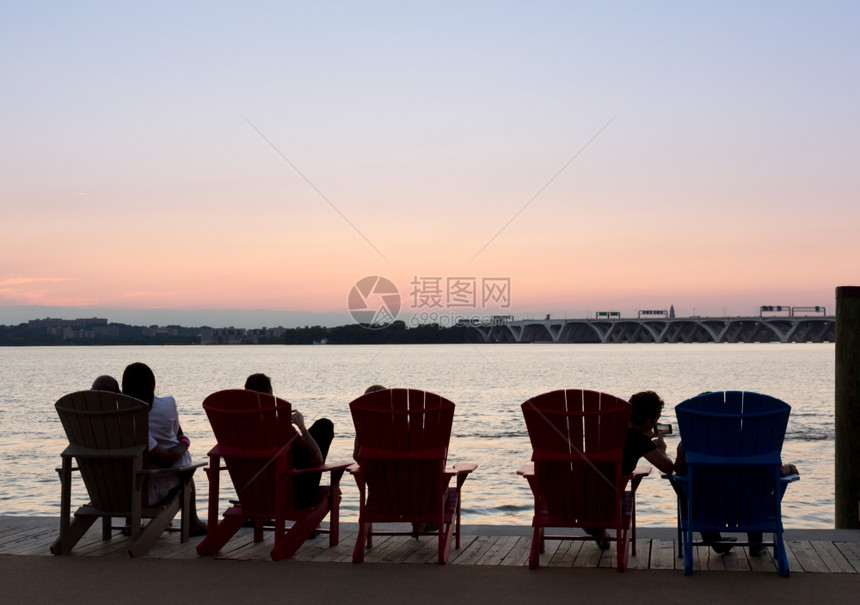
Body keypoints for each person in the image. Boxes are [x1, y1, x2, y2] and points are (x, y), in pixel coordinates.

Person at [121, 362, 206, 536]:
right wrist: (185, 443)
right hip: (148, 490)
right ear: (152, 384)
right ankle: (192, 523)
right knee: (187, 478)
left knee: (133, 466)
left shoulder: (114, 417)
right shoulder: (164, 406)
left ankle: (131, 522)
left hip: (119, 489)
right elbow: (169, 450)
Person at [586, 390, 677, 549]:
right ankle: (598, 528)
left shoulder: (603, 430)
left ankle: (597, 529)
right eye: (655, 420)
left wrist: (644, 441)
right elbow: (668, 467)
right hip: (609, 505)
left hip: (578, 498)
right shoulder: (639, 440)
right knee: (614, 495)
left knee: (596, 488)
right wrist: (661, 450)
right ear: (649, 422)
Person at [243, 373, 334, 508]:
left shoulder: (240, 429)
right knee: (324, 426)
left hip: (252, 495)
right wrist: (301, 427)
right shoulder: (280, 427)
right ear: (271, 396)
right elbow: (318, 459)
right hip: (292, 496)